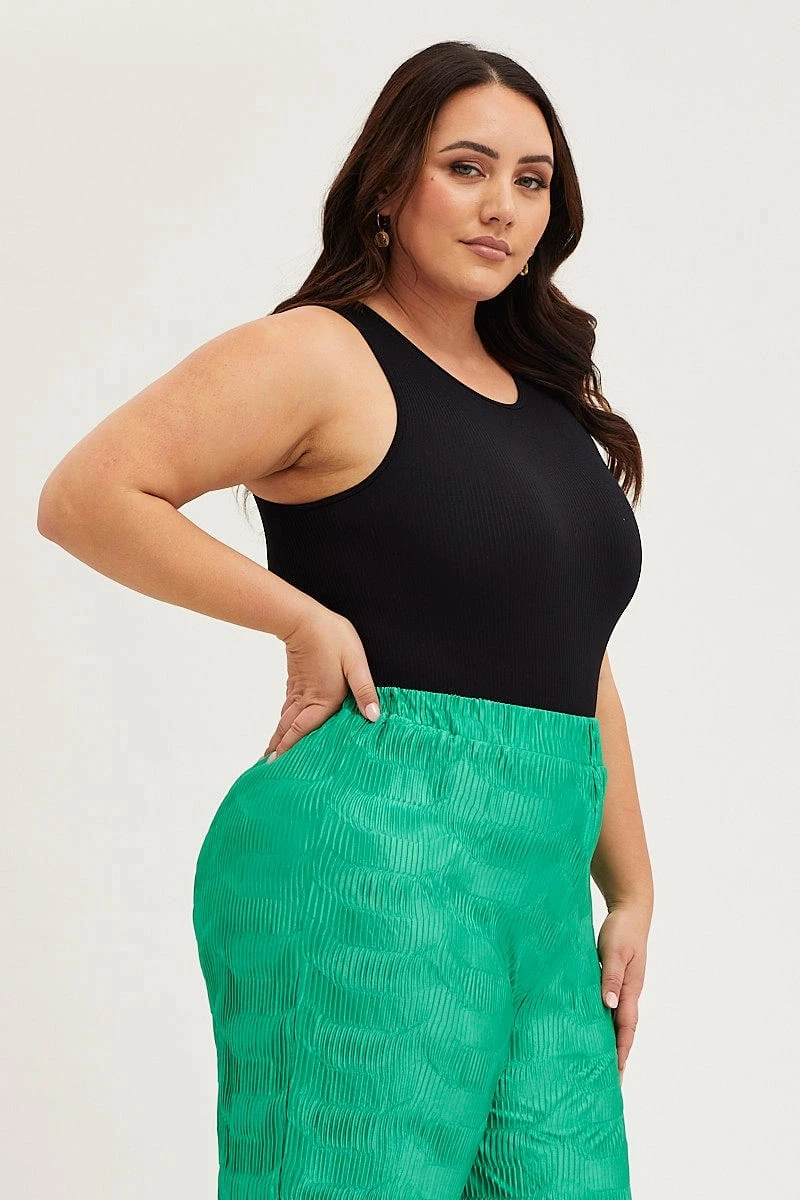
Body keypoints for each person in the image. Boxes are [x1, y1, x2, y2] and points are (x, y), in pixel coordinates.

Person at [38, 39, 654, 1200]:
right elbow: (87, 496)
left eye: (530, 181)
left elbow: (577, 655)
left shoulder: (547, 410)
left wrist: (628, 887)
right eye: (466, 167)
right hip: (369, 858)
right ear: (388, 183)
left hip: (536, 894)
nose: (502, 205)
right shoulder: (321, 354)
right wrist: (299, 620)